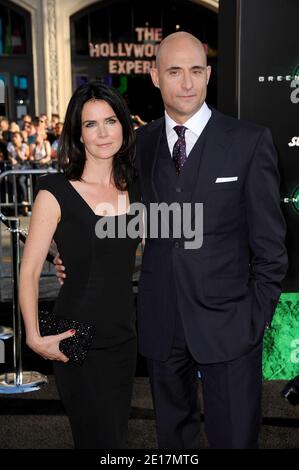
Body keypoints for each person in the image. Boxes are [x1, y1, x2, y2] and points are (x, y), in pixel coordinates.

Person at [55, 32, 288, 449]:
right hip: (162, 324)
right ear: (155, 76)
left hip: (231, 326)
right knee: (173, 445)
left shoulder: (249, 142)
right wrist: (73, 258)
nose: (187, 83)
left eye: (196, 71)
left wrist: (255, 320)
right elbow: (120, 218)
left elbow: (271, 246)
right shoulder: (138, 146)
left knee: (236, 440)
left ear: (208, 74)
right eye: (175, 71)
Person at [19, 81, 141, 449]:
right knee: (96, 439)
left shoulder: (135, 188)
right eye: (91, 124)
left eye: (110, 121)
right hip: (76, 334)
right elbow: (27, 271)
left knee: (116, 436)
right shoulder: (54, 191)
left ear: (123, 125)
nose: (103, 133)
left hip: (124, 336)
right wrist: (33, 335)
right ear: (78, 133)